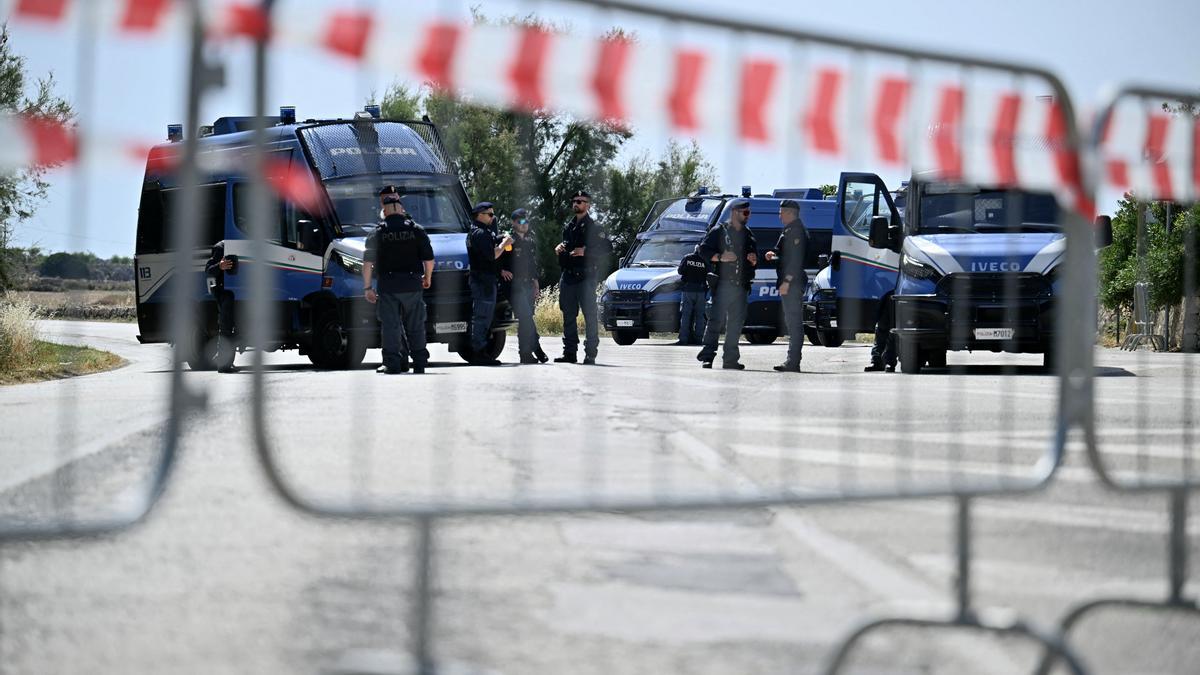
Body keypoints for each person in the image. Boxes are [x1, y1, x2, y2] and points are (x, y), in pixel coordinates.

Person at [362, 185, 435, 374]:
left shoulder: (377, 233)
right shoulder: (417, 230)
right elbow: (429, 260)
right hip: (412, 284)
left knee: (391, 327)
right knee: (416, 325)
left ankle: (393, 364)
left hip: (389, 286)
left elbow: (367, 264)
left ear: (384, 211)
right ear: (401, 209)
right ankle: (419, 363)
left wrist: (368, 287)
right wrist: (427, 278)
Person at [696, 197, 757, 370]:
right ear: (734, 213)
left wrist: (754, 259)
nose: (748, 216)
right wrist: (721, 257)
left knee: (735, 325)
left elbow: (753, 255)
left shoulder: (748, 234)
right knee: (715, 322)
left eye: (749, 213)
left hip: (741, 286)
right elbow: (703, 250)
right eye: (745, 213)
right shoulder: (719, 231)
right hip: (723, 284)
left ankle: (730, 359)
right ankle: (707, 357)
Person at [554, 190, 611, 365]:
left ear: (588, 205)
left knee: (589, 316)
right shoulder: (569, 226)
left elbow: (607, 247)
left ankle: (590, 353)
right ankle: (570, 353)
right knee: (568, 315)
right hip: (568, 276)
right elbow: (567, 246)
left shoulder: (595, 227)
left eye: (580, 201)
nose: (576, 203)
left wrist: (585, 251)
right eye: (574, 201)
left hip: (586, 277)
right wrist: (560, 249)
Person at [764, 199, 810, 373]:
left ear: (790, 213)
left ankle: (793, 362)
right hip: (789, 281)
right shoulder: (788, 230)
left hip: (793, 282)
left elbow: (796, 261)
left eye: (781, 212)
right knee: (791, 322)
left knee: (794, 323)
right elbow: (781, 252)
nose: (779, 215)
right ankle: (792, 360)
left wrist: (786, 282)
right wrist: (772, 253)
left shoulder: (797, 231)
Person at [466, 201, 512, 366]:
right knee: (482, 317)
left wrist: (501, 238)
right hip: (483, 280)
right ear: (480, 215)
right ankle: (479, 352)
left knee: (484, 317)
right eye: (490, 214)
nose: (493, 217)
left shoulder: (481, 232)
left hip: (485, 279)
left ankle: (481, 351)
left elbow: (491, 241)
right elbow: (492, 255)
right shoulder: (479, 233)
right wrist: (504, 244)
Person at [504, 207, 550, 364]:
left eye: (526, 221)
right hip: (515, 285)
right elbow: (494, 258)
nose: (524, 224)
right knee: (525, 318)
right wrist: (501, 270)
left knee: (526, 320)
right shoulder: (508, 239)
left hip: (528, 284)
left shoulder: (530, 242)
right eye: (520, 221)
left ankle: (526, 353)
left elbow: (532, 265)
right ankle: (535, 350)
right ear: (513, 222)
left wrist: (536, 283)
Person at [203, 240, 237, 373]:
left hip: (238, 295)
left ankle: (226, 361)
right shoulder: (220, 247)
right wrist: (220, 266)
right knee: (226, 329)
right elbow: (208, 270)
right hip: (225, 294)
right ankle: (223, 364)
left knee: (231, 331)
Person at [676, 244, 709, 346]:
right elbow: (710, 273)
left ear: (695, 250)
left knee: (686, 315)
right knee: (700, 316)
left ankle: (683, 339)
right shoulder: (705, 260)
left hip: (688, 290)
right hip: (701, 291)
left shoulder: (687, 258)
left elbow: (680, 271)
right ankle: (699, 339)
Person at [864, 294, 897, 372]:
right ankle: (877, 361)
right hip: (885, 291)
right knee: (882, 325)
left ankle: (888, 361)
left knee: (893, 328)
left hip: (900, 290)